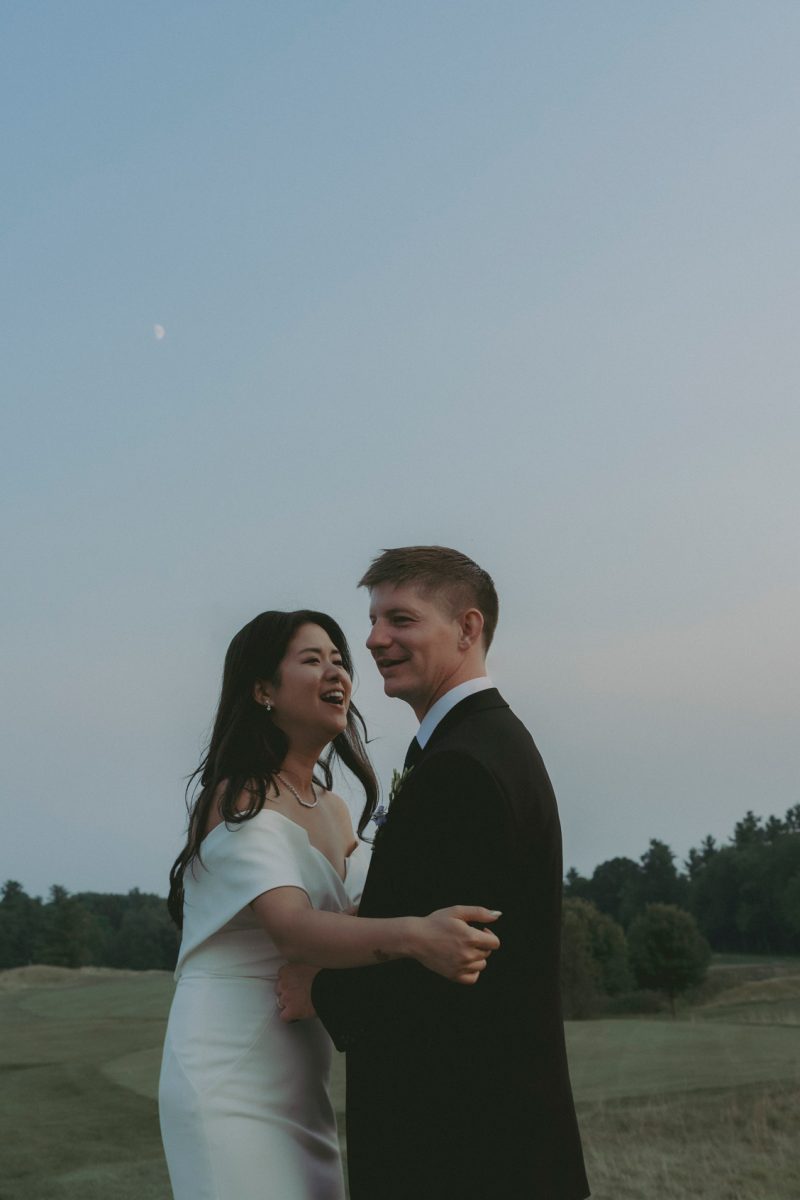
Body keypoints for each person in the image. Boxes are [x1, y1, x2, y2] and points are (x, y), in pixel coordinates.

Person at [277, 549, 590, 1200]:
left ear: (468, 629)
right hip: (491, 1144)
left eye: (402, 619)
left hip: (462, 1150)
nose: (373, 639)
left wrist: (319, 986)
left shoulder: (462, 770)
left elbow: (444, 973)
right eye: (372, 619)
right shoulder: (482, 746)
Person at [158, 609, 500, 1200]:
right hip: (228, 1066)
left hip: (301, 1069)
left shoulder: (336, 809)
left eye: (339, 661)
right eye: (312, 660)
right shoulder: (240, 796)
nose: (336, 672)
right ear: (262, 689)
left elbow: (361, 916)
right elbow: (291, 929)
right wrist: (419, 936)